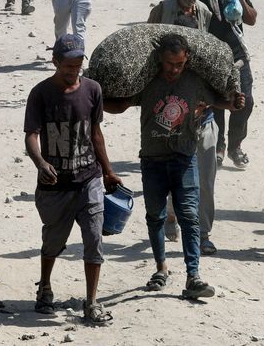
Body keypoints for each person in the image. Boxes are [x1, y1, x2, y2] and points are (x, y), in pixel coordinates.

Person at [104, 34, 245, 299]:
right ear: (160, 60)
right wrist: (93, 97)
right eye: (169, 64)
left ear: (187, 60)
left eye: (179, 64)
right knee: (155, 217)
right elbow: (122, 104)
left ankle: (194, 275)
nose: (173, 70)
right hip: (152, 160)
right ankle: (161, 268)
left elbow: (219, 101)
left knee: (189, 217)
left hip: (184, 158)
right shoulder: (147, 81)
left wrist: (235, 104)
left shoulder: (195, 82)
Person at [24, 34, 121, 324]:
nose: (73, 72)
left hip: (88, 179)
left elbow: (96, 134)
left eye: (78, 66)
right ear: (55, 62)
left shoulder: (93, 90)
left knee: (94, 240)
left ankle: (91, 303)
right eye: (68, 67)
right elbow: (31, 135)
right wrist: (40, 163)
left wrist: (108, 170)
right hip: (55, 186)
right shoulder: (40, 94)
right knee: (53, 242)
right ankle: (45, 287)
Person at [146, 0, 217, 251]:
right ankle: (171, 216)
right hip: (167, 108)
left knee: (204, 177)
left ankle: (202, 234)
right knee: (172, 169)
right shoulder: (162, 10)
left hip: (201, 116)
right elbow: (147, 45)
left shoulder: (204, 13)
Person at [197, 0, 256, 170]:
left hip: (238, 58)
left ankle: (235, 146)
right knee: (218, 104)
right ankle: (219, 147)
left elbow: (251, 19)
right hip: (212, 60)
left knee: (245, 102)